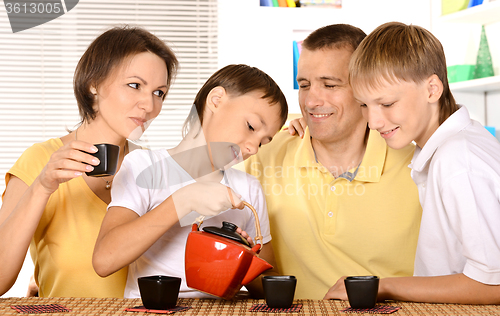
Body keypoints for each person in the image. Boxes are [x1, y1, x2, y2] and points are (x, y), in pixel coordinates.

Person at [240, 24, 422, 300]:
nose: (312, 100)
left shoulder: (418, 166)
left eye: (330, 85)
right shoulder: (264, 154)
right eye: (304, 85)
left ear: (365, 87)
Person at [326, 22, 500, 304]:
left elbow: (494, 284)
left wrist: (383, 287)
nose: (373, 122)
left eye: (387, 103)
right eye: (364, 105)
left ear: (432, 89)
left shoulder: (457, 160)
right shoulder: (449, 147)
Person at [0, 26, 178, 298]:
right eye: (135, 85)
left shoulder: (157, 169)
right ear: (93, 83)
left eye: (159, 93)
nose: (149, 105)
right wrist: (43, 186)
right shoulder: (40, 161)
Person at [92, 64, 288, 299]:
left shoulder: (248, 189)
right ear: (216, 100)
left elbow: (267, 284)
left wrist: (245, 258)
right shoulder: (145, 167)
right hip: (154, 315)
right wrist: (184, 200)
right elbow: (104, 260)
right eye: (251, 127)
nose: (253, 147)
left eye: (263, 142)